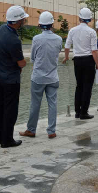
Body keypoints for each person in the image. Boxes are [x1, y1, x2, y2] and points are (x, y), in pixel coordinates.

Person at [19, 11, 63, 139]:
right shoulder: (59, 39)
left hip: (38, 77)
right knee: (52, 104)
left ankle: (31, 130)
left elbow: (33, 58)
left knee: (35, 104)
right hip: (53, 77)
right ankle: (51, 130)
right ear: (52, 24)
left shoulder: (36, 39)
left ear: (40, 25)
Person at [0, 5, 29, 148]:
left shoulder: (1, 30)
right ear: (18, 21)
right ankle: (7, 139)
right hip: (11, 80)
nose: (24, 21)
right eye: (23, 19)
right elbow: (21, 63)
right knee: (10, 109)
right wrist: (25, 62)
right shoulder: (14, 39)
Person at [64, 7, 98, 119]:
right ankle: (84, 112)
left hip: (77, 60)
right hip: (88, 60)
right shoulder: (92, 32)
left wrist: (66, 57)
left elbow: (67, 46)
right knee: (87, 86)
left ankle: (77, 111)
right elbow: (94, 50)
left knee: (79, 86)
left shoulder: (72, 30)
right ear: (89, 19)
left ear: (79, 18)